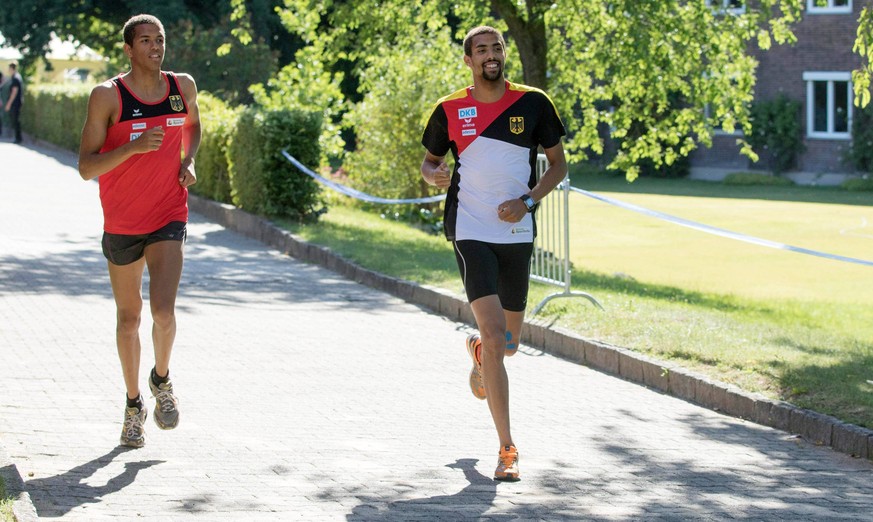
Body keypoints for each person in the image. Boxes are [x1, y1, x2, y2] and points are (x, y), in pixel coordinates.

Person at [420, 26, 568, 482]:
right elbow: (429, 161)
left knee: (508, 344)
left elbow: (559, 164)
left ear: (504, 55)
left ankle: (483, 352)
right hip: (470, 229)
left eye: (497, 48)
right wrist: (434, 174)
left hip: (517, 230)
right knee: (493, 327)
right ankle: (507, 448)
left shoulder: (533, 102)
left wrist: (526, 202)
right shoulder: (450, 108)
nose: (491, 54)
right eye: (481, 49)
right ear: (468, 59)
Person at [78, 14, 201, 448]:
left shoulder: (181, 87)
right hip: (122, 222)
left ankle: (161, 380)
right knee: (129, 318)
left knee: (164, 312)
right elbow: (86, 167)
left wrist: (187, 160)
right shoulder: (108, 96)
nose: (155, 46)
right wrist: (132, 147)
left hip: (169, 213)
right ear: (128, 49)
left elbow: (192, 127)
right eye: (145, 40)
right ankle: (133, 406)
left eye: (160, 39)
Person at [5, 62, 23, 143]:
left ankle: (18, 138)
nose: (8, 70)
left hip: (15, 103)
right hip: (16, 102)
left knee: (16, 120)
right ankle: (17, 137)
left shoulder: (16, 78)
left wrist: (8, 104)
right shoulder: (16, 77)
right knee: (15, 120)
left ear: (12, 68)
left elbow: (14, 92)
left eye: (9, 68)